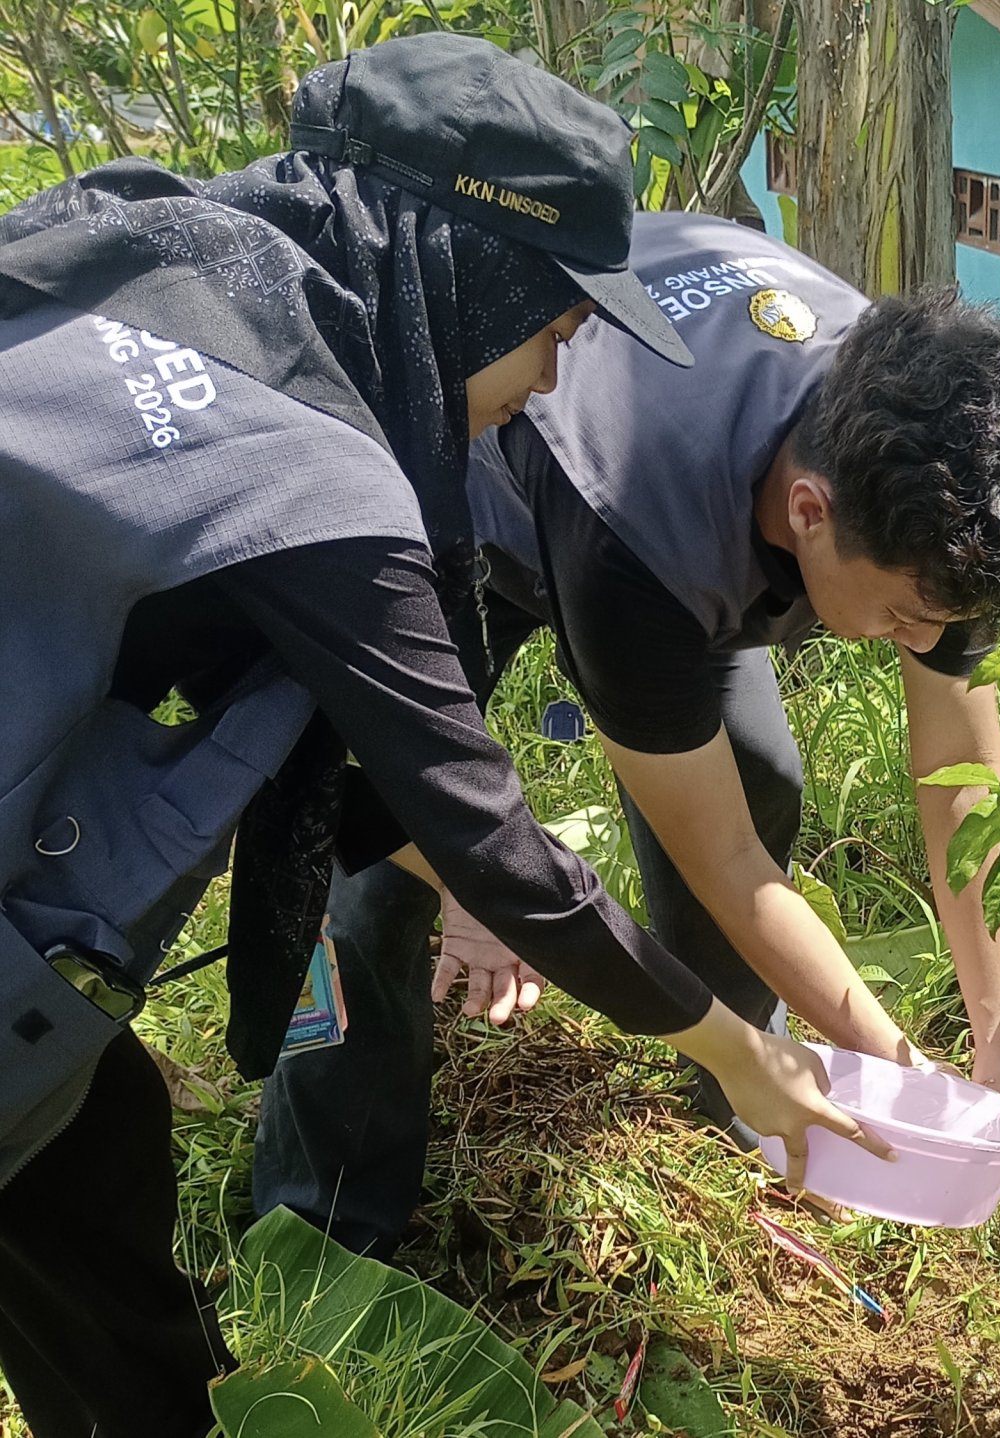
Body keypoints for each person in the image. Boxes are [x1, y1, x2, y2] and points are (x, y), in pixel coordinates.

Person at [0, 37, 881, 1438]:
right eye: (551, 330)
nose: (546, 380)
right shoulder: (315, 471)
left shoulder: (141, 240)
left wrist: (456, 880)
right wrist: (731, 1044)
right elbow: (495, 833)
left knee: (89, 1157)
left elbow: (388, 794)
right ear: (460, 271)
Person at [253, 209, 1000, 1255]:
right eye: (901, 617)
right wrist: (899, 1070)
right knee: (383, 847)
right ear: (808, 511)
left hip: (689, 489)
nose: (924, 642)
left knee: (753, 775)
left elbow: (964, 786)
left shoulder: (941, 483)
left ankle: (746, 1085)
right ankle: (324, 1227)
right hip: (480, 488)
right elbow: (730, 867)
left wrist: (998, 1036)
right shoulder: (640, 539)